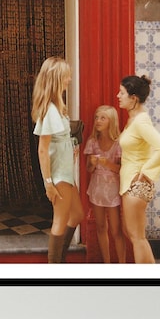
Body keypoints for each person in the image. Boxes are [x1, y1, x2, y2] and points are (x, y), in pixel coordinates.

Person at [32, 56, 84, 263]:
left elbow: (54, 143)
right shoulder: (51, 111)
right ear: (56, 79)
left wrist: (69, 148)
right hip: (59, 175)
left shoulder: (56, 108)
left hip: (65, 172)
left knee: (77, 214)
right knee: (60, 222)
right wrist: (48, 183)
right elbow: (43, 150)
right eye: (66, 76)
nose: (70, 79)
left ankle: (59, 261)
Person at [116, 74, 160, 264]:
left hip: (135, 186)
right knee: (134, 236)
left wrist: (146, 172)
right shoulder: (134, 119)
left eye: (122, 93)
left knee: (137, 238)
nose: (118, 96)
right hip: (130, 184)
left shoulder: (141, 121)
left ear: (134, 98)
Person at [84, 105, 125, 264]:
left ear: (111, 121)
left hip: (112, 190)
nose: (98, 121)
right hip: (97, 190)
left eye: (103, 118)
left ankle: (122, 265)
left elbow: (122, 169)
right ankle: (107, 264)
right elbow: (88, 169)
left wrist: (107, 163)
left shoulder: (118, 143)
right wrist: (93, 164)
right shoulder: (92, 141)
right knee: (101, 228)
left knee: (116, 230)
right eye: (96, 117)